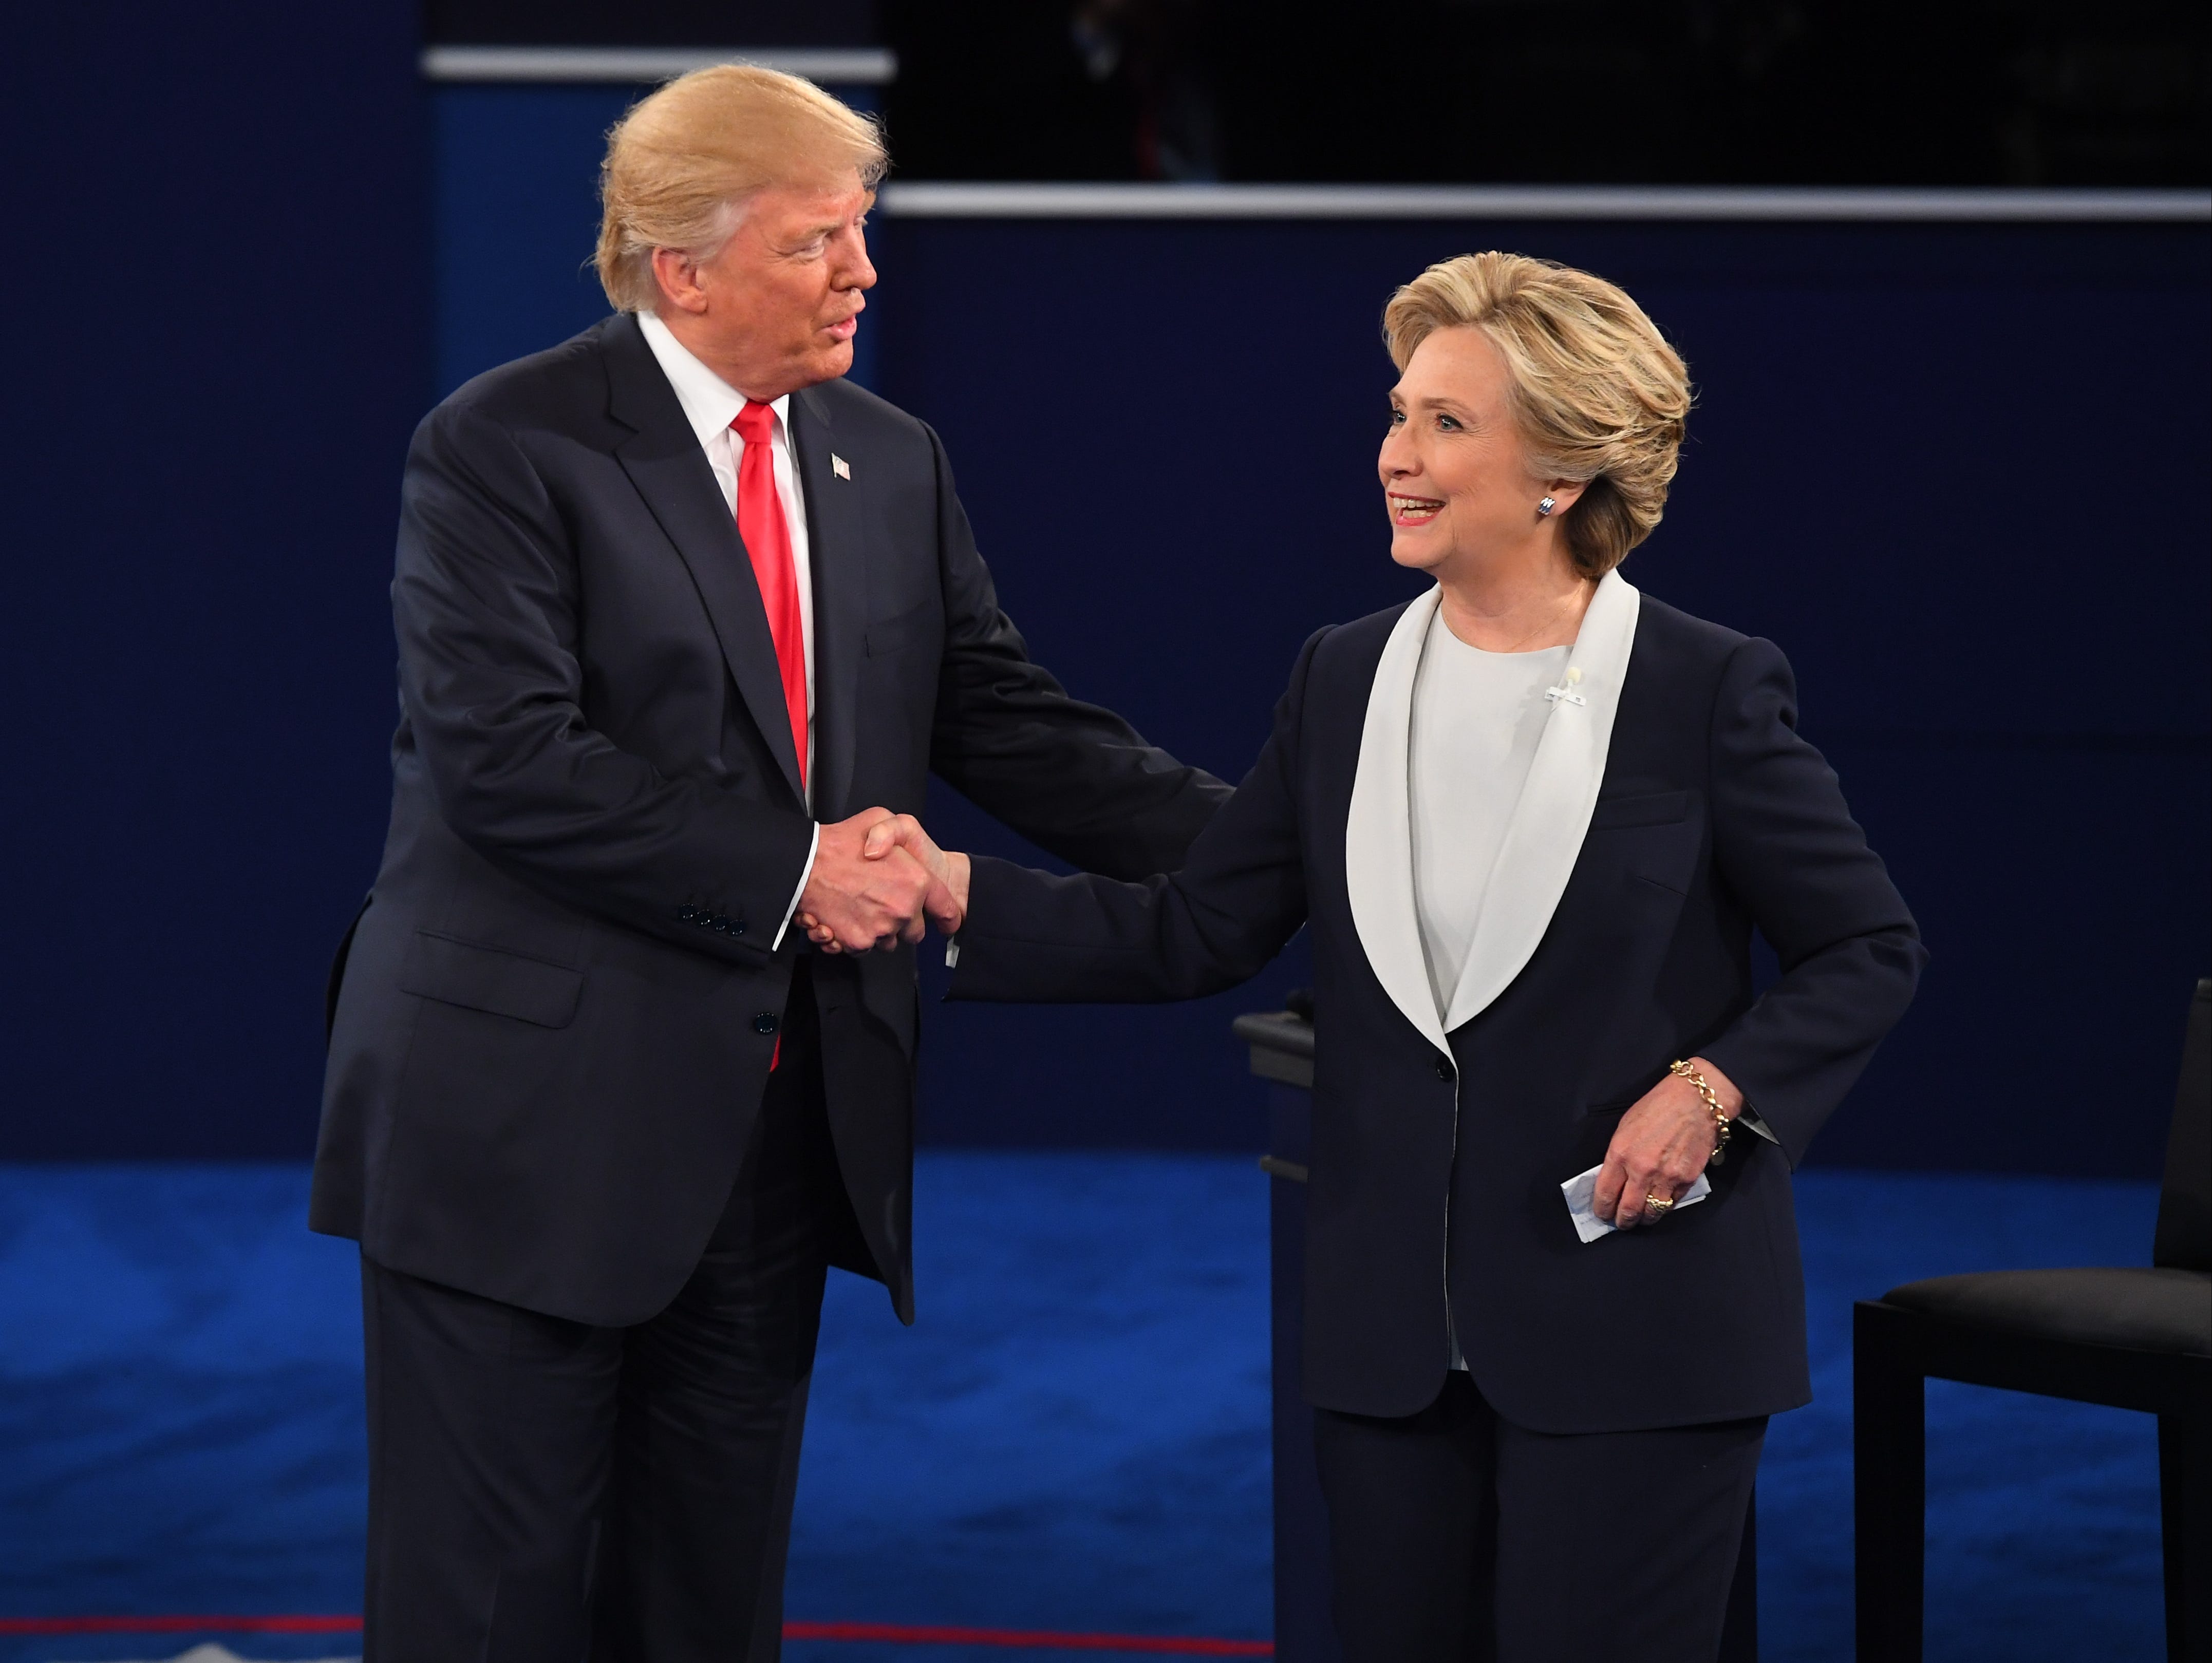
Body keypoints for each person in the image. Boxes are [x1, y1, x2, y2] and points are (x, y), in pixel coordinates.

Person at [855, 253, 1926, 1660]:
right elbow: (1198, 927)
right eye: (1397, 413)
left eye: (1444, 425)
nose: (1394, 457)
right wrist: (955, 894)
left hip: (1634, 1324)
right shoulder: (1341, 672)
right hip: (1391, 1341)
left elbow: (1865, 946)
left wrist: (1714, 1089)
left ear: (1557, 471)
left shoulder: (1704, 687)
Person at [310, 65, 1227, 1659]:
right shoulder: (506, 447)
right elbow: (506, 763)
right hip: (523, 1131)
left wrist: (1277, 842)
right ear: (683, 265)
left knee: (706, 1606)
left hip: (774, 1119)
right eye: (817, 242)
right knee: (489, 1609)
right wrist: (804, 874)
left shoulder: (886, 455)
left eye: (858, 233)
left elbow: (1000, 721)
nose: (864, 272)